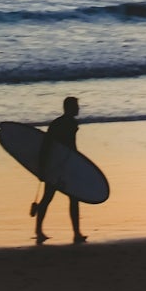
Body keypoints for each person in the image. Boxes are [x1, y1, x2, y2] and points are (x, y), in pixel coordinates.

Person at [33, 95, 86, 243]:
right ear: (69, 108)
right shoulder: (67, 124)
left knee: (50, 198)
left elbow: (47, 146)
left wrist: (43, 167)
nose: (78, 109)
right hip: (59, 166)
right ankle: (75, 233)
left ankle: (40, 231)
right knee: (63, 198)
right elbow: (52, 146)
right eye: (76, 106)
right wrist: (42, 168)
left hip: (58, 165)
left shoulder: (58, 123)